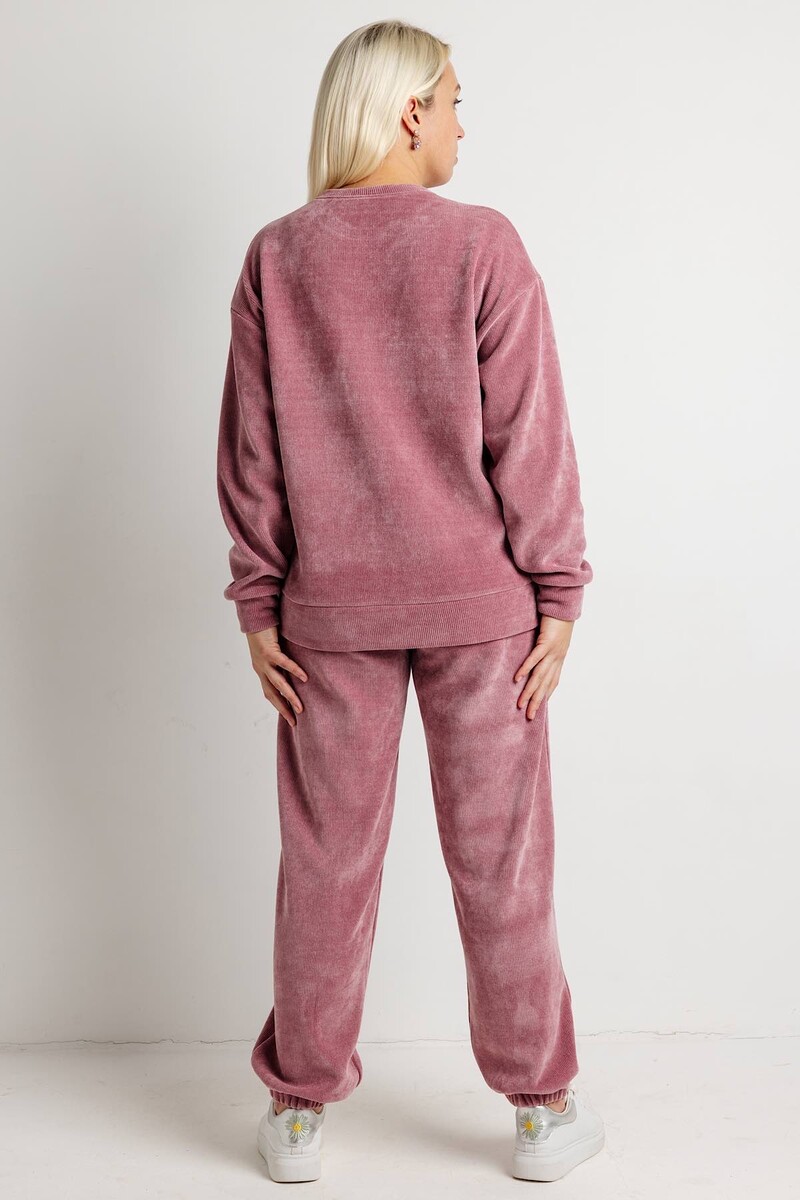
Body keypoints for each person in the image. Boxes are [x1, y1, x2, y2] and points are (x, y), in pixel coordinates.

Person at [216, 18, 604, 1185]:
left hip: (327, 619)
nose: (462, 126)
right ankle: (540, 1112)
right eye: (454, 101)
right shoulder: (480, 244)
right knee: (500, 863)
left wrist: (259, 602)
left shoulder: (278, 257)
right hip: (483, 615)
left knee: (324, 864)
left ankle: (296, 1111)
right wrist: (557, 591)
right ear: (408, 111)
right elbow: (528, 436)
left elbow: (251, 456)